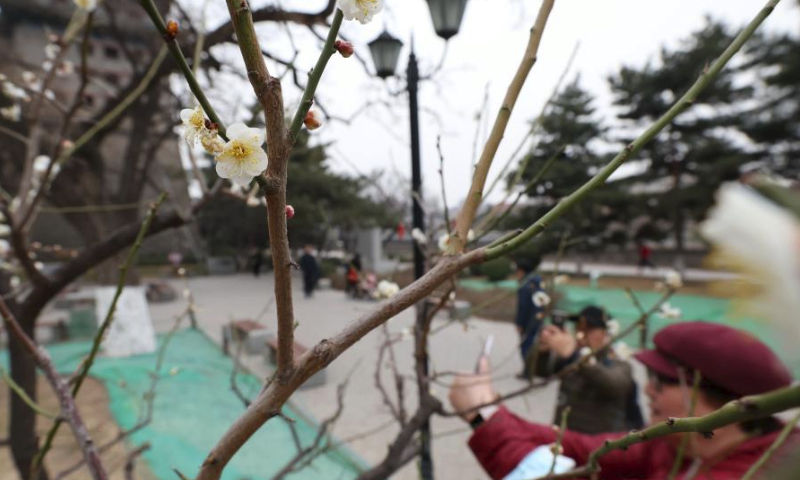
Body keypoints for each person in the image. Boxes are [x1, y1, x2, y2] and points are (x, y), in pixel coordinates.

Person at [449, 322, 796, 480]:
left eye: (661, 382)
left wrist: (484, 419)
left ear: (721, 403)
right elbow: (579, 447)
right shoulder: (674, 445)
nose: (649, 391)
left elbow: (614, 387)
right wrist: (494, 409)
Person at [534, 306, 643, 433]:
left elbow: (614, 385)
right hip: (565, 437)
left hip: (598, 443)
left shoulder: (618, 362)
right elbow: (541, 373)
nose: (581, 334)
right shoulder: (573, 357)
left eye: (588, 329)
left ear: (605, 333)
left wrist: (576, 356)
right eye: (578, 328)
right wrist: (543, 352)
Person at [513, 262, 544, 378]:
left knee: (525, 346)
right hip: (537, 319)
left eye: (517, 272)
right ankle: (531, 371)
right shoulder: (538, 283)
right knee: (531, 345)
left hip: (527, 322)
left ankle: (528, 372)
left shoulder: (525, 286)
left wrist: (519, 323)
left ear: (521, 271)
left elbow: (523, 306)